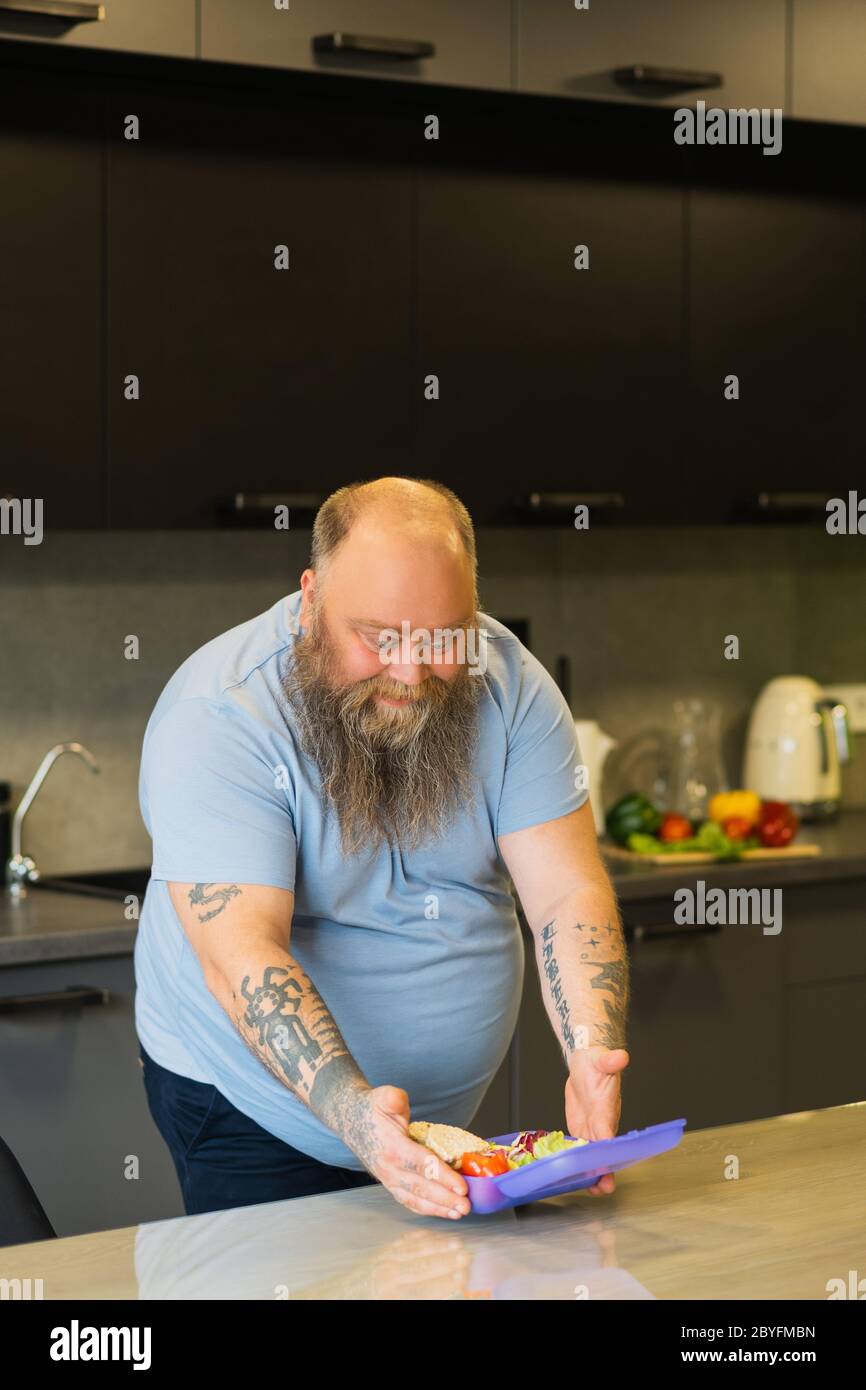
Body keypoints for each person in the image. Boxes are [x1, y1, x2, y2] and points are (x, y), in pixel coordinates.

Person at [135, 476, 629, 1219]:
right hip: (251, 1110)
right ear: (310, 599)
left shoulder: (510, 685)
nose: (412, 672)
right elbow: (241, 953)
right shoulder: (222, 715)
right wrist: (354, 1112)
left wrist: (592, 1046)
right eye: (380, 637)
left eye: (443, 638)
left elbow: (565, 895)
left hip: (435, 1125)